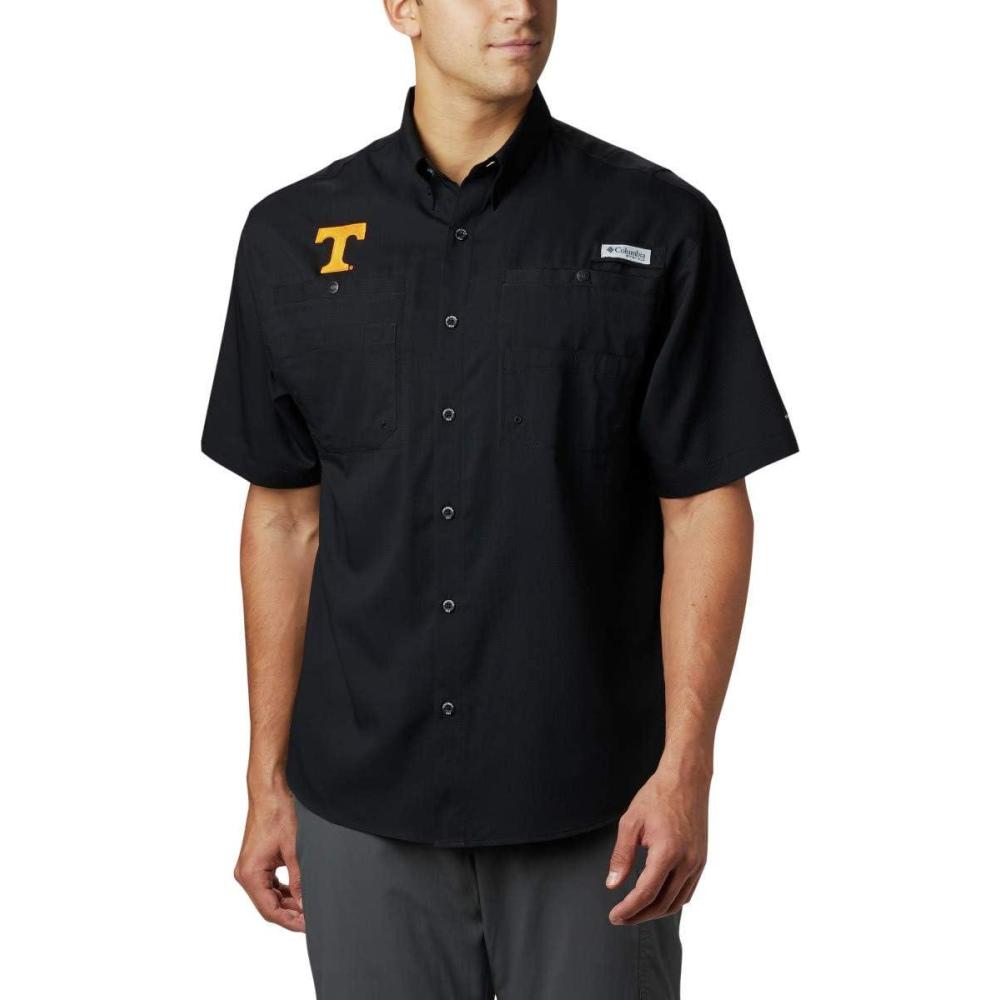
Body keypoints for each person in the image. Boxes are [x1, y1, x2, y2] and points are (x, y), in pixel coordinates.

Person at [201, 1, 798, 996]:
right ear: (403, 7)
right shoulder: (291, 236)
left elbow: (704, 505)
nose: (520, 6)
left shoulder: (656, 223)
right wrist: (265, 779)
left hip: (598, 808)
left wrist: (686, 769)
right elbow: (284, 517)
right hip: (360, 808)